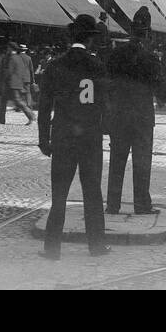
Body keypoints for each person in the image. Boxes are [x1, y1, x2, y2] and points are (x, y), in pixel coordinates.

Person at [38, 14, 111, 258]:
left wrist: (44, 139)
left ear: (72, 37)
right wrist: (104, 129)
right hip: (90, 138)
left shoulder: (55, 65)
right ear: (90, 40)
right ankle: (97, 246)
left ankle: (52, 248)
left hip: (62, 137)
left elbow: (45, 106)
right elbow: (105, 106)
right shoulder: (97, 66)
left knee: (59, 194)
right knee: (92, 193)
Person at [105, 7, 163, 217]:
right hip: (143, 119)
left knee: (117, 162)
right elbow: (161, 89)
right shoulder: (151, 58)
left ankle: (112, 205)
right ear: (148, 33)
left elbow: (108, 83)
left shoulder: (116, 54)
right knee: (142, 162)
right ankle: (141, 205)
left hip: (119, 116)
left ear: (130, 31)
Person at [0, 41, 36, 124]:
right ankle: (0, 119)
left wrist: (1, 80)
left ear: (10, 48)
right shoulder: (18, 57)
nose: (7, 49)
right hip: (16, 83)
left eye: (8, 48)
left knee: (18, 101)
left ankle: (31, 116)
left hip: (11, 84)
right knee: (4, 101)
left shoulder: (11, 58)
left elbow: (8, 71)